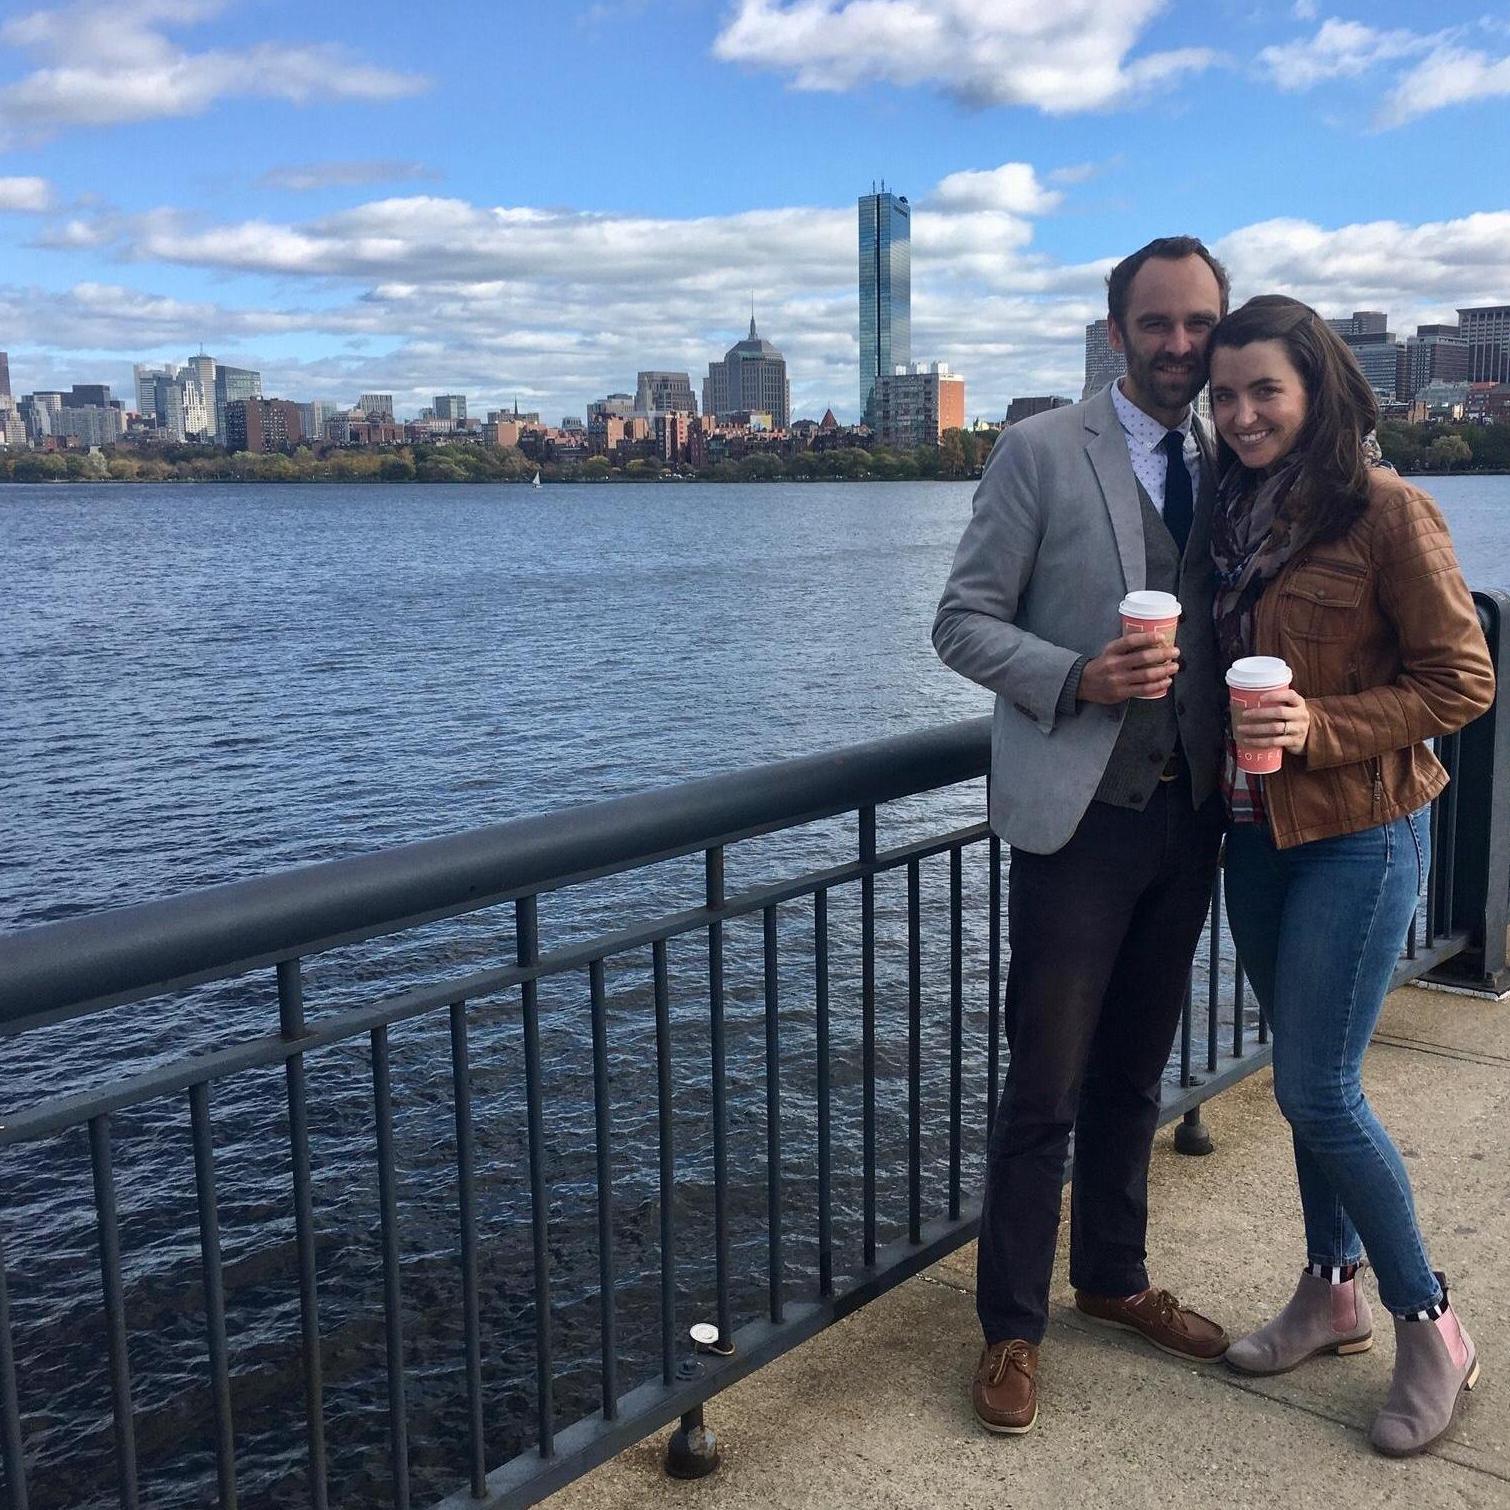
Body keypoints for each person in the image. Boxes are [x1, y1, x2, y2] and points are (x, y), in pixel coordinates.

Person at [933, 236, 1233, 1436]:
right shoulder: (1040, 451)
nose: (1178, 346)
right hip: (1076, 826)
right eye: (1155, 324)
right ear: (1117, 332)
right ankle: (1010, 1329)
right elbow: (959, 622)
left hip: (1194, 814)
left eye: (1197, 324)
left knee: (1133, 1071)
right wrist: (1076, 676)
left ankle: (1112, 1275)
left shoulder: (1234, 456)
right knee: (1043, 1085)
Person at [1205, 295, 1494, 1456]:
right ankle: (1329, 1292)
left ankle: (1429, 1320)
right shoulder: (1227, 515)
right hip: (1250, 833)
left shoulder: (1386, 511)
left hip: (1360, 835)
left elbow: (1461, 679)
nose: (1240, 414)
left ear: (1317, 389)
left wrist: (1315, 724)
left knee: (1321, 1088)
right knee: (1296, 1077)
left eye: (1263, 390)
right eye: (1224, 396)